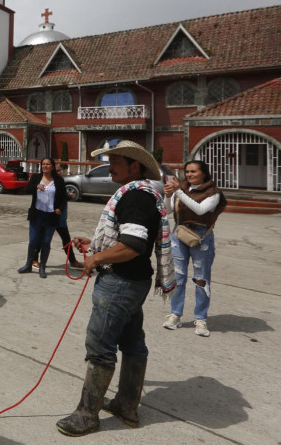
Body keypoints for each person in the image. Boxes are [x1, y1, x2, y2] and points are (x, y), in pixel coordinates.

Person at [56, 140, 175, 437]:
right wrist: (95, 245)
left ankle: (86, 415)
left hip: (120, 283)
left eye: (116, 162)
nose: (110, 167)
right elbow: (127, 239)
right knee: (133, 342)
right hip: (134, 282)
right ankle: (126, 404)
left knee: (100, 347)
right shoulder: (143, 194)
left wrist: (97, 257)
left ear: (135, 166)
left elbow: (133, 245)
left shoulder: (135, 198)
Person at [163, 160, 226, 337]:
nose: (190, 175)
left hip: (201, 237)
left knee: (201, 279)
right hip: (179, 233)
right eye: (187, 172)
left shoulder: (213, 193)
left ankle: (201, 318)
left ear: (204, 173)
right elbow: (167, 211)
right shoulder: (181, 189)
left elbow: (200, 210)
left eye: (194, 172)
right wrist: (168, 196)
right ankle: (175, 314)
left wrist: (178, 192)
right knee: (178, 277)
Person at [18, 157, 67, 277]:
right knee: (33, 240)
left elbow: (64, 198)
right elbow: (26, 189)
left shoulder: (58, 180)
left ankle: (43, 267)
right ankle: (28, 264)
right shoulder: (36, 178)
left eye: (48, 164)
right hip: (37, 214)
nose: (45, 166)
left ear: (52, 166)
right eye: (43, 164)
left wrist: (60, 208)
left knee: (46, 242)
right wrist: (36, 186)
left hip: (51, 216)